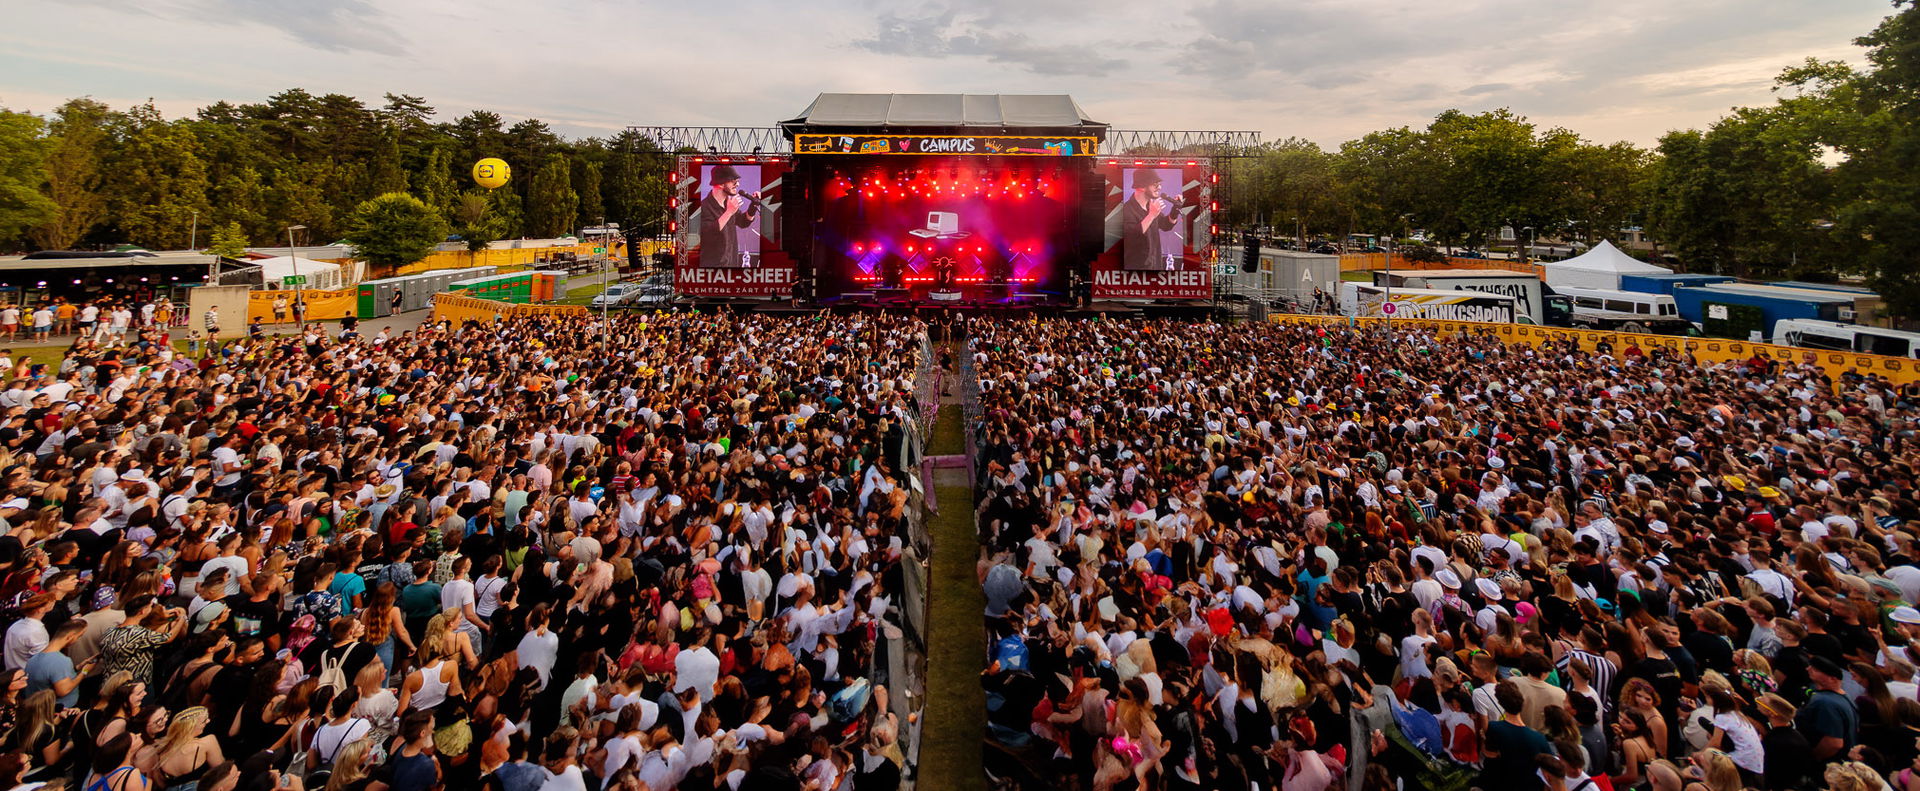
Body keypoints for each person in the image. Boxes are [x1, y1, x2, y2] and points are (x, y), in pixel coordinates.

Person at [698, 164, 759, 268]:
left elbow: (744, 222)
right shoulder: (704, 206)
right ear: (721, 184)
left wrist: (753, 205)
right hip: (712, 268)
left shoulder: (728, 203)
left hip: (732, 264)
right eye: (734, 182)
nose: (738, 184)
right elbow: (708, 234)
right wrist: (729, 212)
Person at [1120, 170, 1178, 271]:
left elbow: (1166, 225)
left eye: (1159, 184)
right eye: (1155, 185)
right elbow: (1131, 235)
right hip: (1136, 271)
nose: (1159, 188)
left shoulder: (1150, 207)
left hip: (1155, 267)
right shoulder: (1127, 209)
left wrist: (1175, 210)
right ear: (1142, 187)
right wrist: (1151, 215)